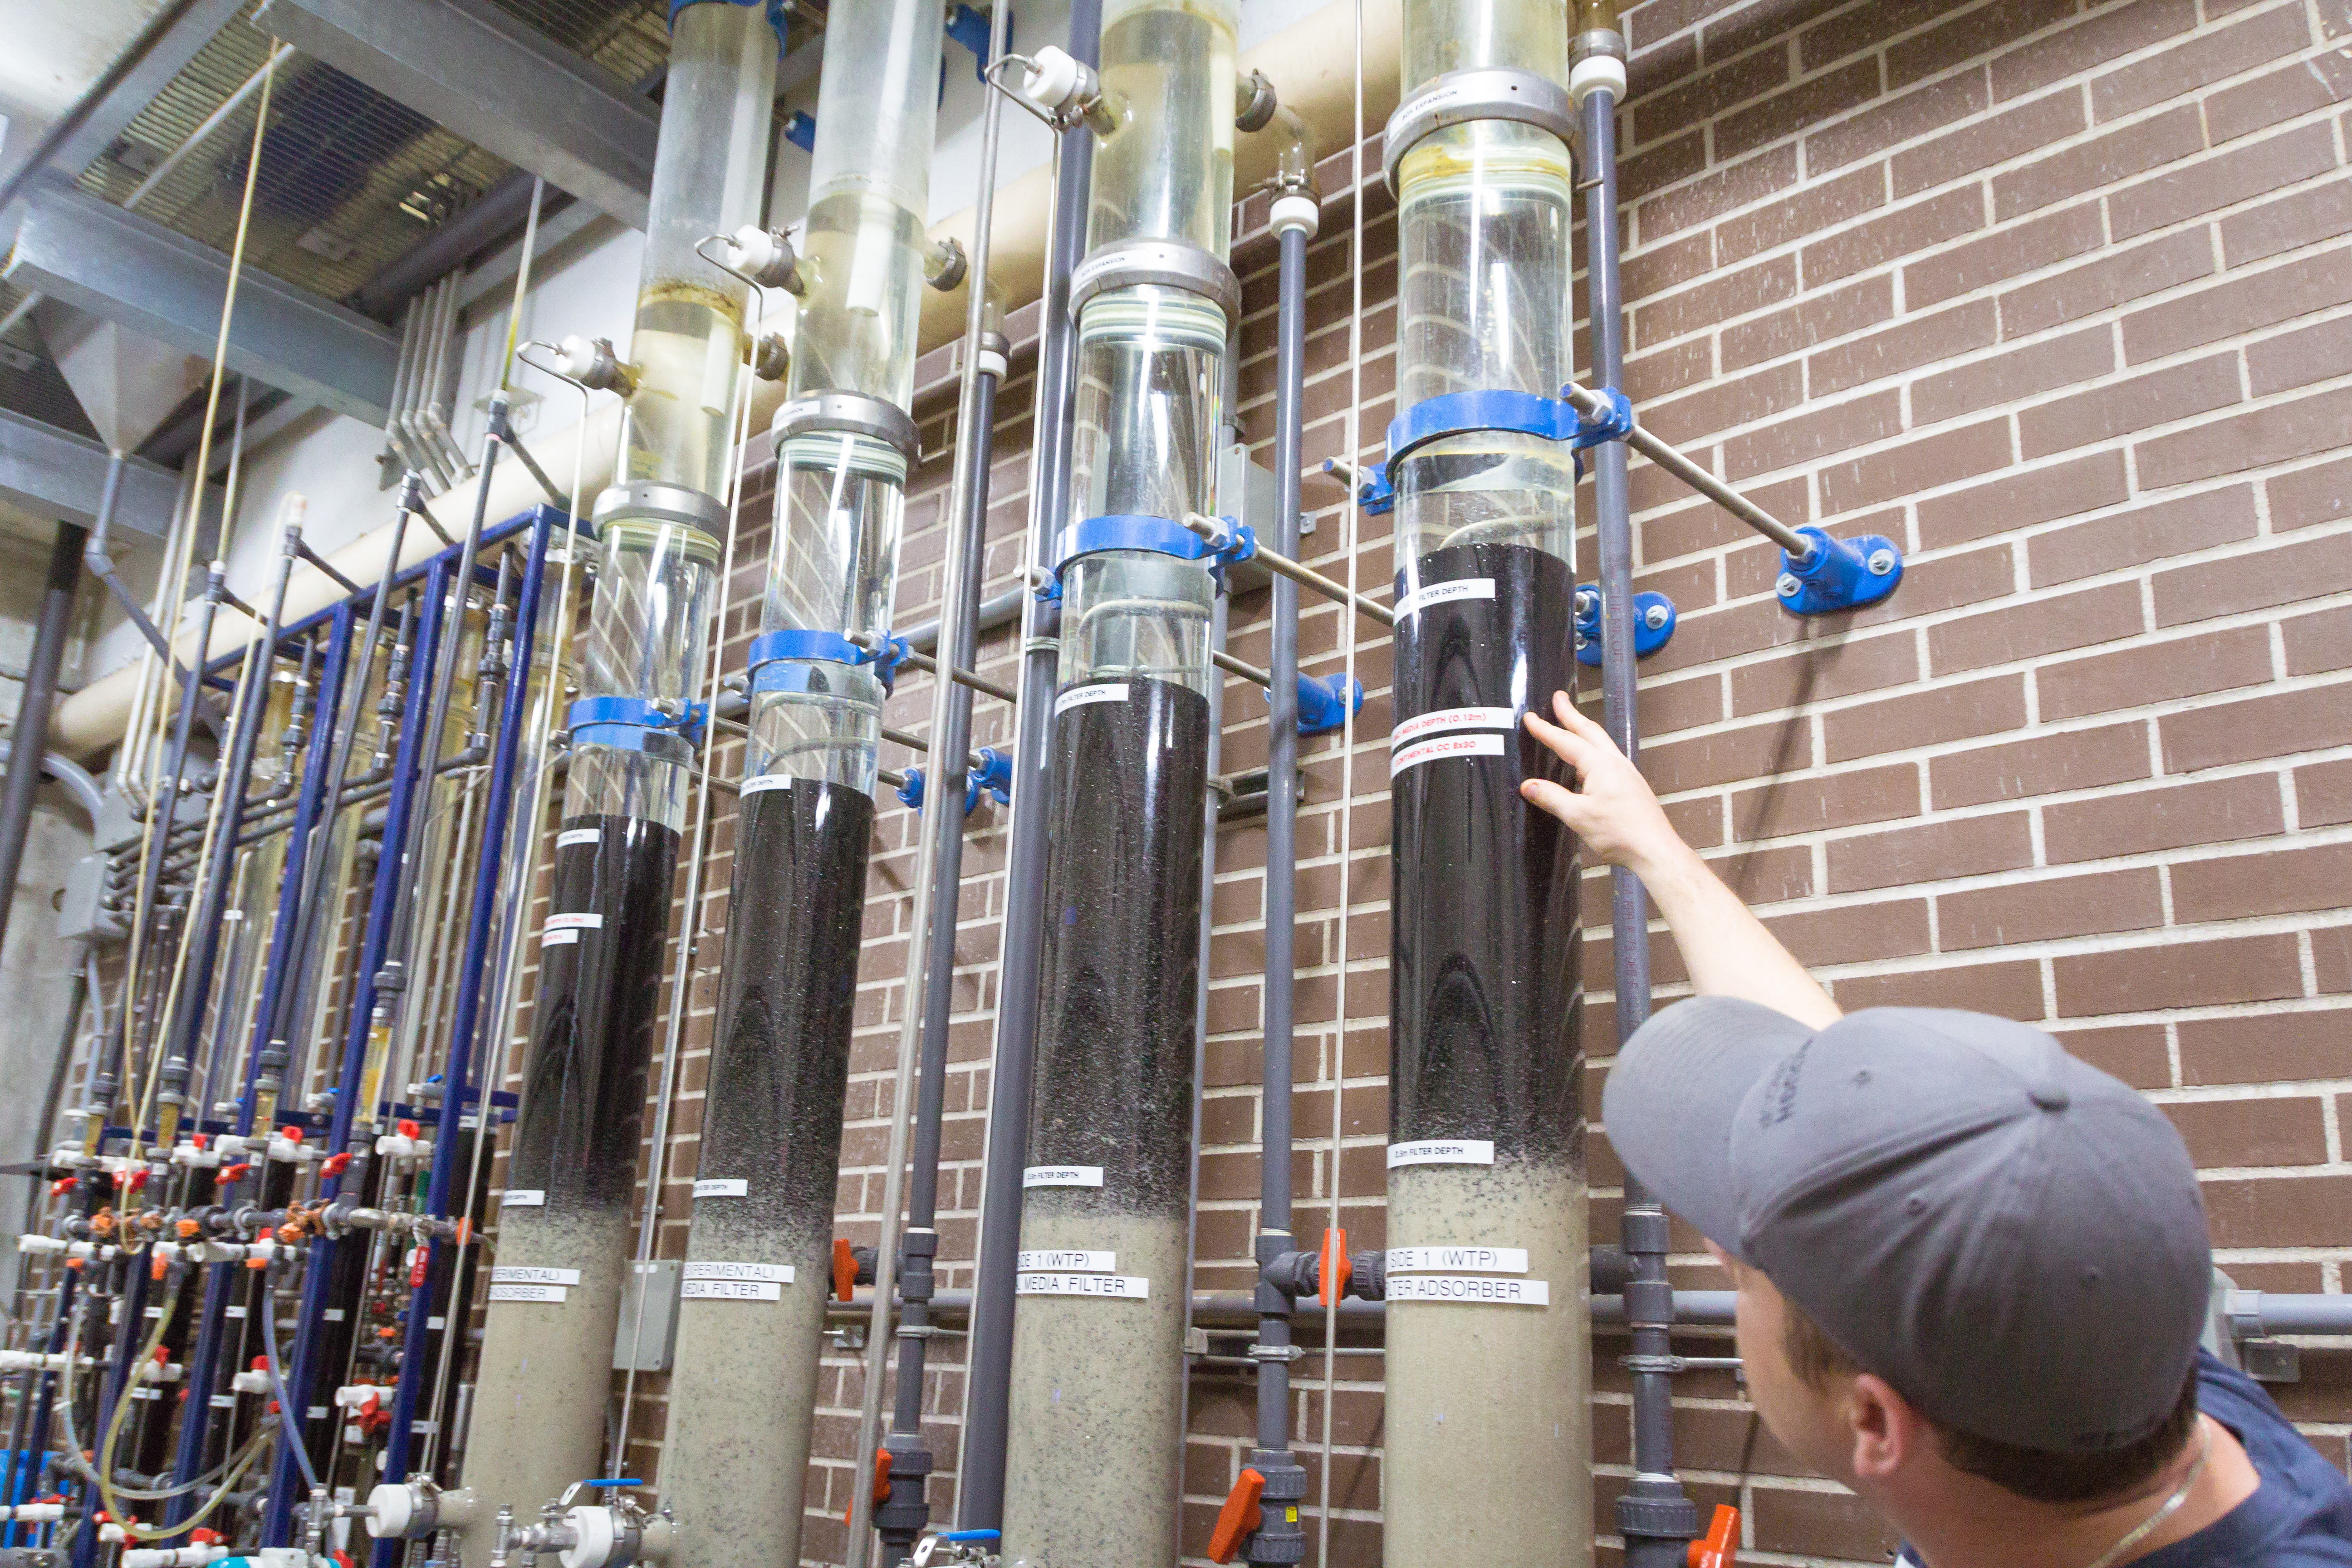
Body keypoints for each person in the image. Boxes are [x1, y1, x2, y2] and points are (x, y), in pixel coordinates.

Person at [1517, 692, 2352, 1568]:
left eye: (1747, 1252)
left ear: (1874, 1422)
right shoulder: (2123, 1389)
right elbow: (1837, 1090)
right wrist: (1658, 853)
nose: (1722, 1255)